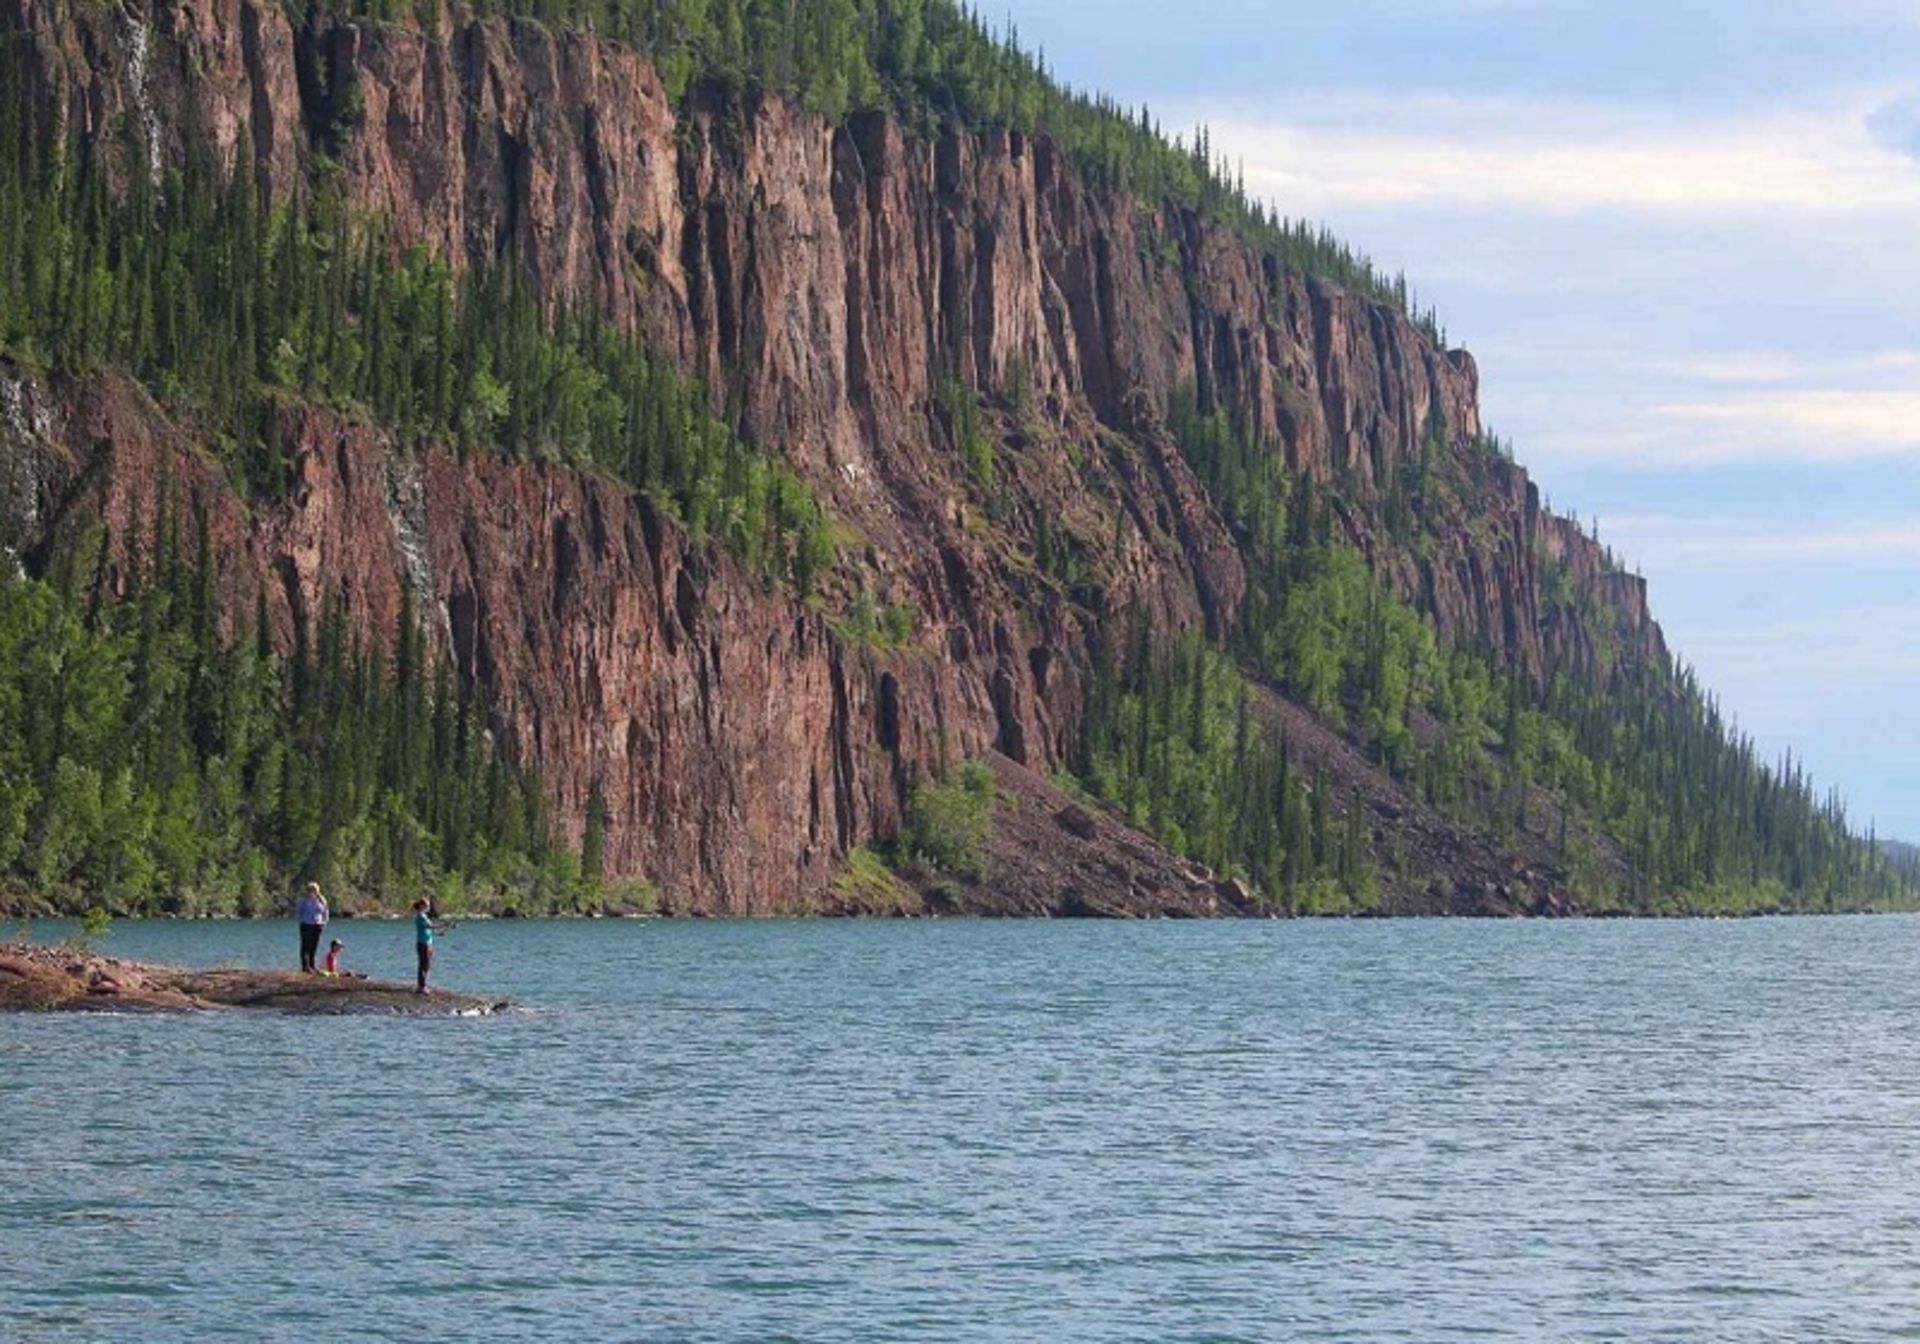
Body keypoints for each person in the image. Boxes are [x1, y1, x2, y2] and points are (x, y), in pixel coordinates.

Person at [412, 899, 454, 994]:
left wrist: (439, 933)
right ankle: (422, 987)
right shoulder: (420, 917)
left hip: (427, 943)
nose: (429, 908)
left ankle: (422, 985)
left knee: (425, 965)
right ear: (422, 906)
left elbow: (428, 930)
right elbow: (429, 926)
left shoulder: (424, 916)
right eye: (427, 906)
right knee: (424, 965)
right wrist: (444, 924)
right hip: (423, 944)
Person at [295, 882, 329, 973]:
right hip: (306, 925)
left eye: (314, 890)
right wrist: (301, 920)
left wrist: (325, 921)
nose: (312, 892)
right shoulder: (303, 900)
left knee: (314, 946)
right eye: (310, 890)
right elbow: (298, 911)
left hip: (317, 925)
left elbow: (326, 911)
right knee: (305, 946)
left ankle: (312, 965)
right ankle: (305, 966)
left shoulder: (321, 900)